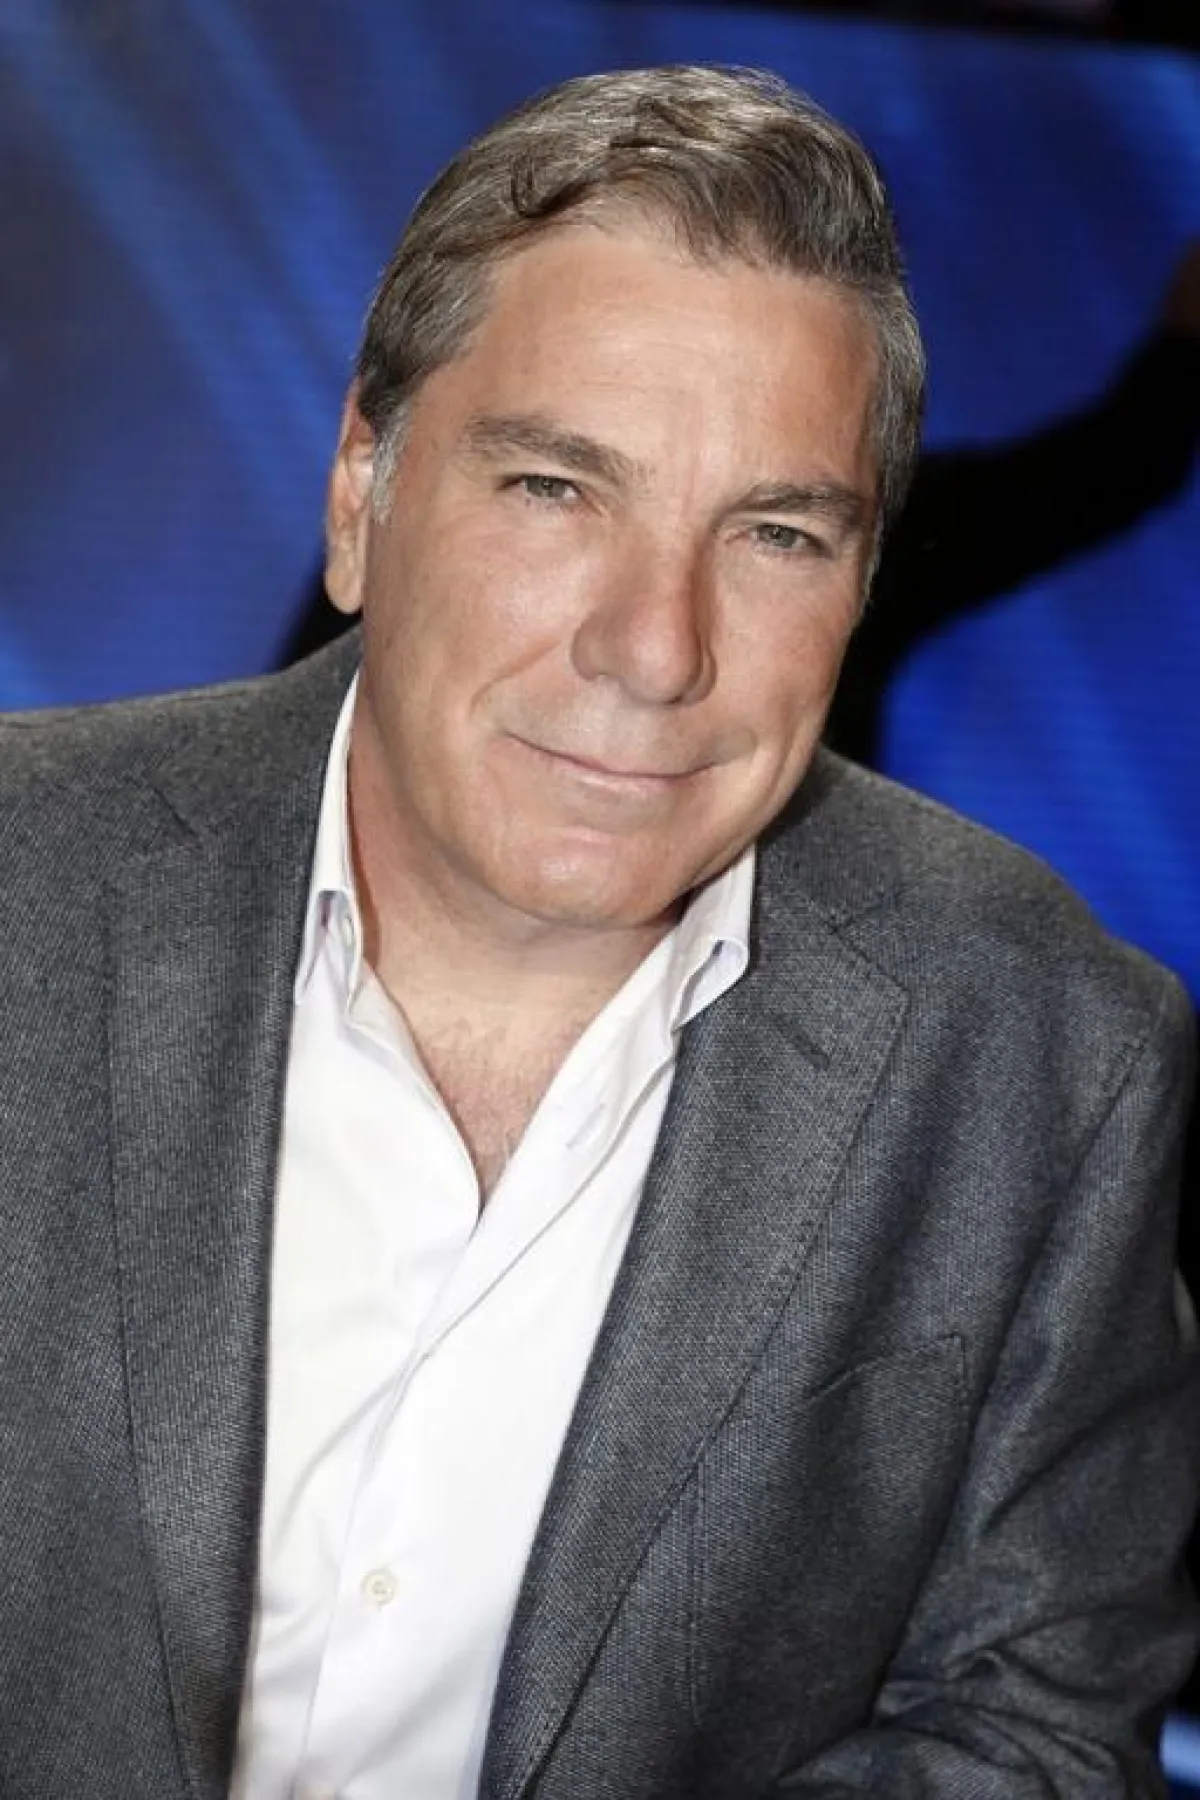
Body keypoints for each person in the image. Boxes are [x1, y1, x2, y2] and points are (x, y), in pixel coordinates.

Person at [0, 64, 1195, 1800]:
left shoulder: (1046, 1058)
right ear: (360, 493)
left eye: (776, 533)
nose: (655, 648)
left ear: (863, 578)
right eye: (556, 489)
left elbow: (1043, 1727)